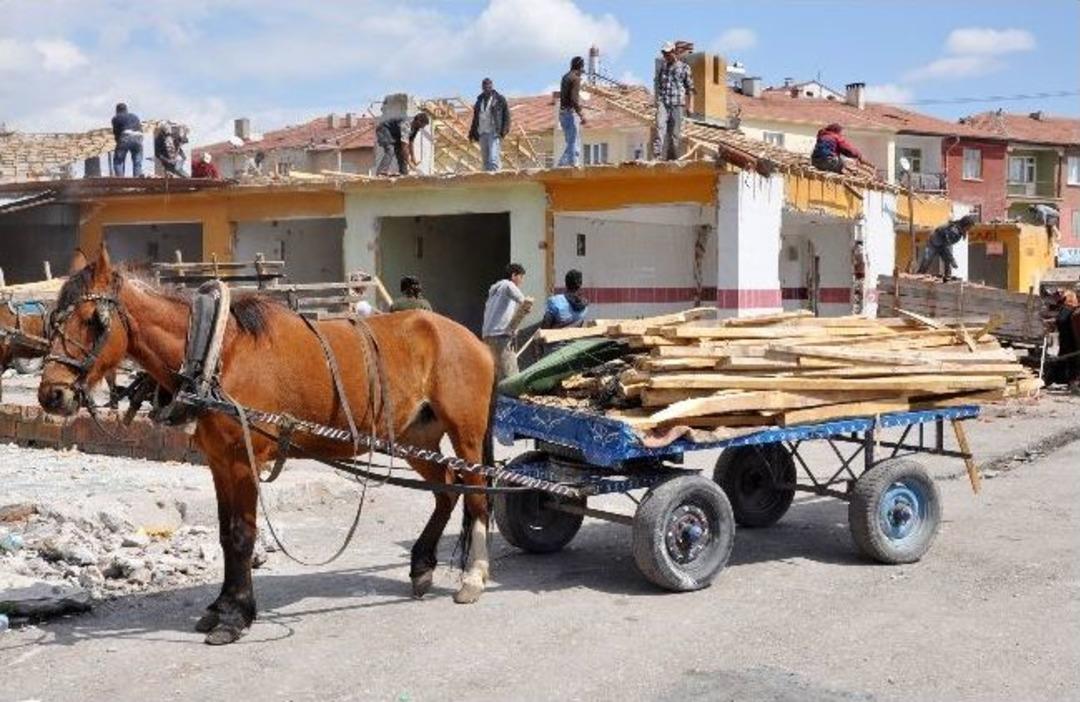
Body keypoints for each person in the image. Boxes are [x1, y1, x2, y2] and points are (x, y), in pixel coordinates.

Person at [482, 263, 532, 380]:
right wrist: (527, 306)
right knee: (511, 376)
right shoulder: (508, 285)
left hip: (487, 336)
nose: (522, 281)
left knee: (496, 375)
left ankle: (497, 398)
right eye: (521, 277)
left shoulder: (494, 289)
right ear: (514, 275)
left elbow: (498, 314)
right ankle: (510, 398)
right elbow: (524, 301)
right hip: (500, 337)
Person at [653, 41, 695, 161]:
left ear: (673, 52)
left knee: (674, 134)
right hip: (664, 102)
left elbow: (690, 88)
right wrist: (657, 101)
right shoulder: (663, 68)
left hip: (677, 104)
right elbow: (659, 85)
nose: (665, 56)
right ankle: (657, 154)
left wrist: (689, 106)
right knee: (660, 126)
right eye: (664, 54)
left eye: (667, 53)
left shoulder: (684, 68)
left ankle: (672, 158)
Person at [917, 214, 978, 281]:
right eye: (969, 226)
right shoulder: (954, 231)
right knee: (927, 260)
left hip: (942, 244)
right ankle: (919, 276)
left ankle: (946, 277)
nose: (970, 229)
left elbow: (947, 246)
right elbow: (947, 246)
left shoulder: (960, 230)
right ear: (966, 225)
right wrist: (952, 260)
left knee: (947, 260)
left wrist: (950, 259)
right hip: (934, 242)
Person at [468, 78, 510, 172]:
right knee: (485, 160)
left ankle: (495, 179)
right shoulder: (479, 101)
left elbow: (506, 115)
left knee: (493, 158)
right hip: (482, 132)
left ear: (491, 87)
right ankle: (486, 180)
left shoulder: (499, 99)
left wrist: (504, 130)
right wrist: (472, 133)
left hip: (494, 132)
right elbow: (475, 118)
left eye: (488, 86)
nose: (486, 88)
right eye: (484, 86)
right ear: (482, 87)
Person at [557, 57, 587, 167]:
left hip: (562, 114)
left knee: (570, 142)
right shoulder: (575, 79)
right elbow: (574, 99)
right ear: (581, 67)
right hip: (570, 113)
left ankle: (562, 164)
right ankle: (573, 164)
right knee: (574, 141)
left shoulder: (565, 77)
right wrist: (581, 114)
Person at [111, 103, 143, 177]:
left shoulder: (116, 118)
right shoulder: (135, 116)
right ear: (126, 110)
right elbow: (140, 128)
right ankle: (137, 182)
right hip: (139, 136)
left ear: (117, 110)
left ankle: (120, 182)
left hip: (126, 135)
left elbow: (116, 133)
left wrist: (119, 145)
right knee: (137, 161)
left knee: (118, 161)